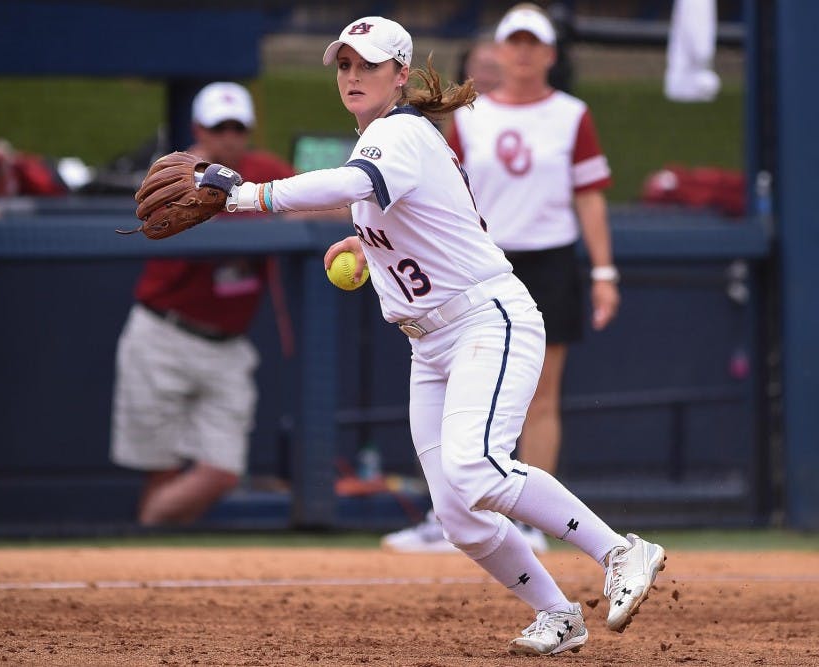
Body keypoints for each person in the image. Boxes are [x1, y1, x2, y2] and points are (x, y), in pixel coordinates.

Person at [140, 16, 666, 656]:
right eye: (344, 65)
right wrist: (367, 244)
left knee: (478, 470)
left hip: (485, 320)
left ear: (399, 74)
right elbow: (403, 212)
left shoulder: (402, 132)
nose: (354, 75)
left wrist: (245, 194)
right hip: (430, 344)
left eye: (368, 64)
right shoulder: (384, 142)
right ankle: (558, 614)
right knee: (458, 516)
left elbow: (355, 184)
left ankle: (621, 550)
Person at [383, 4, 619, 556]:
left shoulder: (570, 114)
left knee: (541, 395)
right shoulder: (471, 117)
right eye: (514, 41)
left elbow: (590, 195)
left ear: (550, 55)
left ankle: (534, 519)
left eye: (533, 44)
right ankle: (453, 512)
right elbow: (442, 192)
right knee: (451, 391)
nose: (523, 52)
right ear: (501, 50)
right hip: (476, 263)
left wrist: (604, 271)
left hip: (550, 258)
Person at [109, 82, 298, 526]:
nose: (229, 137)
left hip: (227, 344)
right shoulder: (177, 173)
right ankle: (152, 566)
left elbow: (324, 203)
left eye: (238, 127)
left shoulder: (263, 168)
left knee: (222, 471)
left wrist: (286, 207)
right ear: (198, 128)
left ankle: (148, 528)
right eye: (219, 127)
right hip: (165, 334)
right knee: (162, 468)